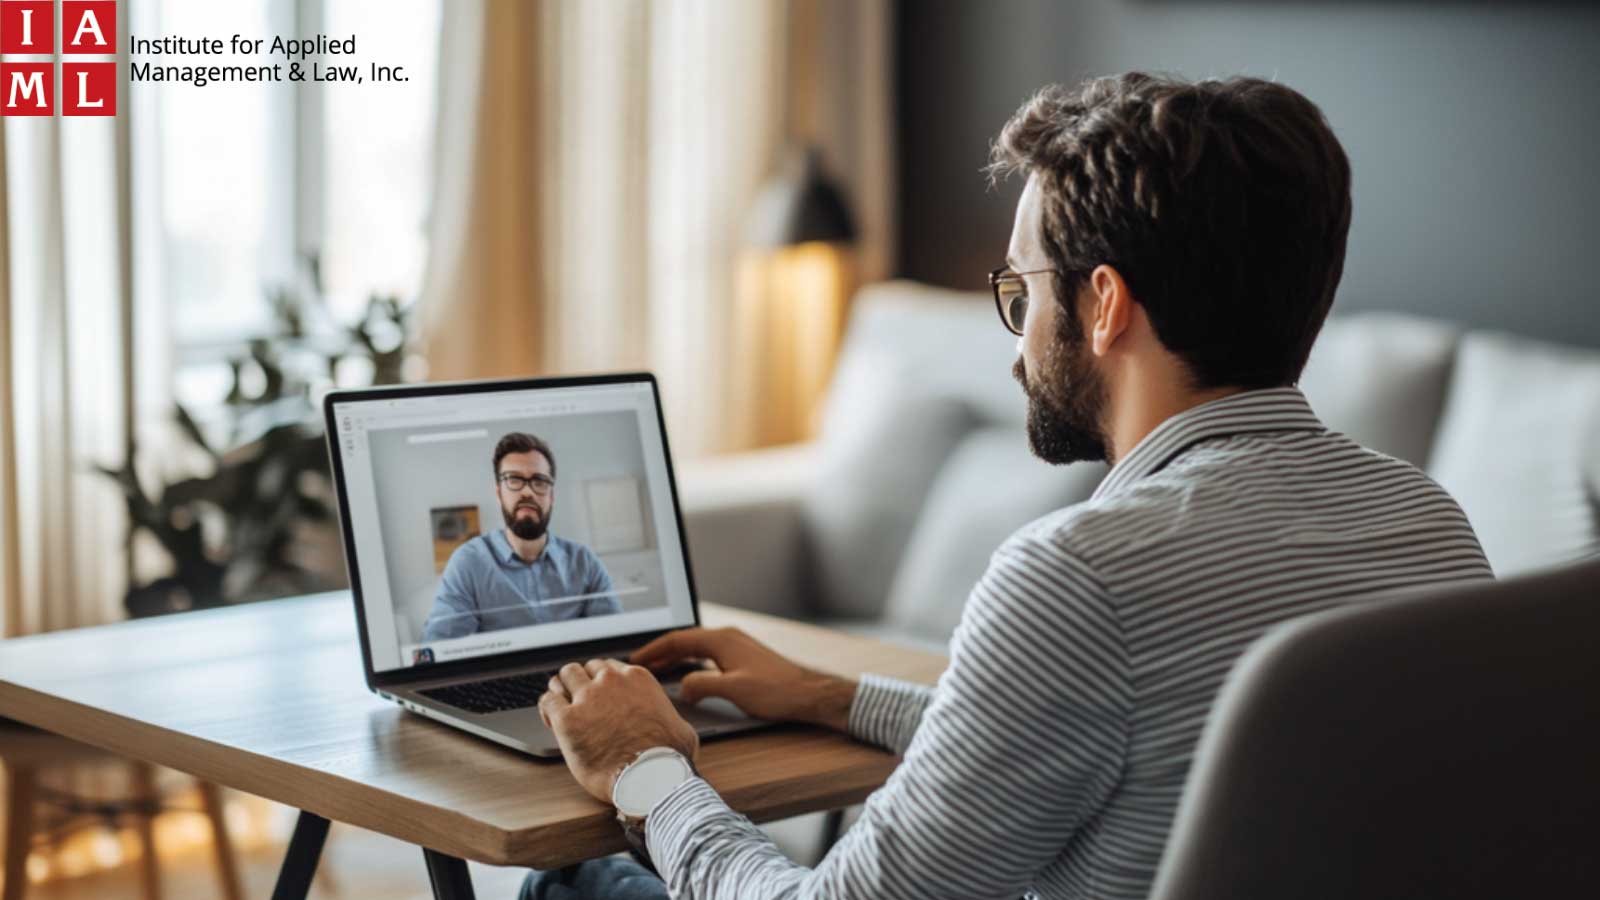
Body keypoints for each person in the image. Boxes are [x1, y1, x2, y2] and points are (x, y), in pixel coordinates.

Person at [525, 73, 1492, 900]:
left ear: (1104, 305)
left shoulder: (1078, 578)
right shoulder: (1431, 528)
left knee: (572, 877)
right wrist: (830, 697)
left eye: (1021, 290)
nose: (1020, 339)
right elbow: (1100, 743)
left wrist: (644, 766)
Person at [422, 432, 619, 641]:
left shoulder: (584, 561)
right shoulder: (468, 563)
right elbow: (438, 647)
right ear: (499, 493)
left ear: (551, 496)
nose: (527, 492)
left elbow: (614, 641)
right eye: (514, 479)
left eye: (539, 481)